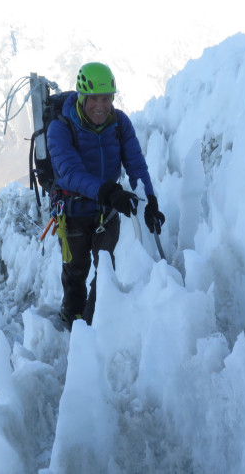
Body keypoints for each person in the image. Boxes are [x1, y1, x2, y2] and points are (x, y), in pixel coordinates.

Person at [46, 62, 165, 330]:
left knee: (106, 267)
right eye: (94, 99)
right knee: (76, 270)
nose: (100, 105)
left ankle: (92, 321)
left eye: (106, 98)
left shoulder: (119, 123)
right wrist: (109, 192)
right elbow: (70, 173)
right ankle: (72, 315)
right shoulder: (60, 128)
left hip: (105, 212)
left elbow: (135, 163)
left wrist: (150, 201)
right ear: (81, 98)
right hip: (73, 212)